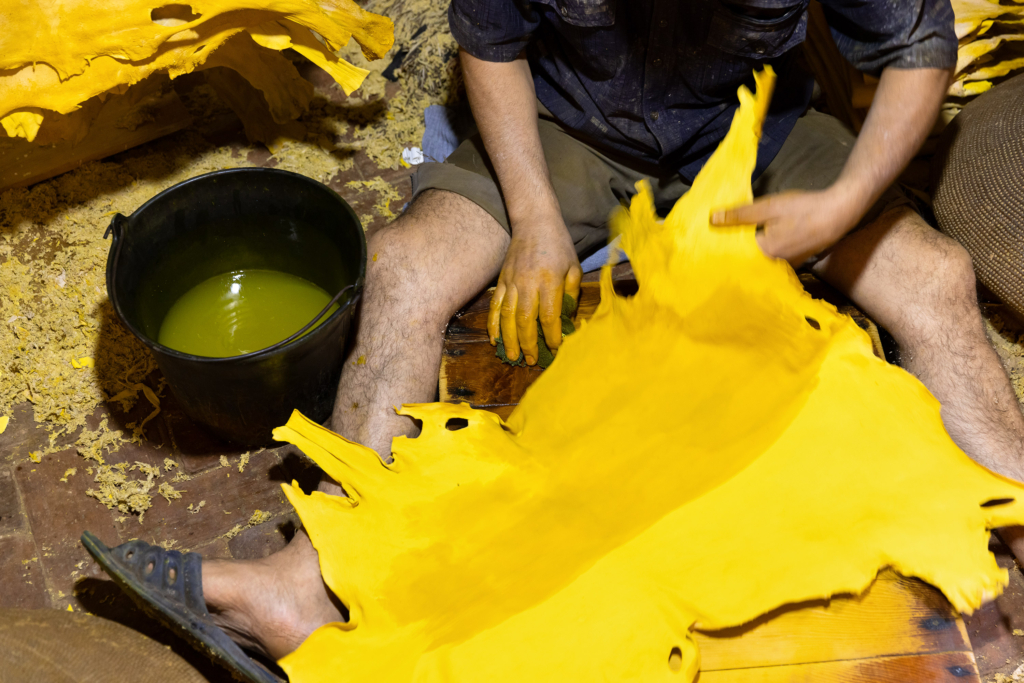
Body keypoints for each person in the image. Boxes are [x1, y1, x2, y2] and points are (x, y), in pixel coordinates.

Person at [136, 0, 1024, 663]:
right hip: (572, 128)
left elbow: (917, 47)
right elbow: (491, 44)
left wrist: (844, 201)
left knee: (938, 278)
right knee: (405, 270)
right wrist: (532, 216)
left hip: (762, 124)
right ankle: (310, 581)